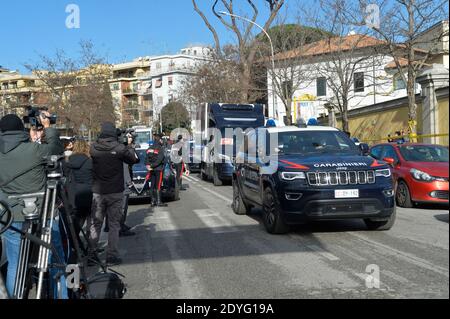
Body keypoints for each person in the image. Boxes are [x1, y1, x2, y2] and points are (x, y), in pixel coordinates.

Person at [0, 113, 66, 298]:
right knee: (55, 259)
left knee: (15, 263)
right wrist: (48, 127)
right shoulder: (33, 151)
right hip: (43, 211)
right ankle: (60, 295)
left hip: (11, 216)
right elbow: (55, 149)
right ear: (21, 130)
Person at [89, 122, 139, 266]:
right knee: (114, 224)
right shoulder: (119, 148)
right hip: (115, 191)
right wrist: (128, 145)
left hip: (98, 191)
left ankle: (92, 254)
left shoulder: (93, 148)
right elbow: (134, 159)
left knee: (95, 224)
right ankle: (111, 255)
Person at [64, 139, 93, 236]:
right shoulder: (90, 160)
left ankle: (75, 241)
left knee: (79, 217)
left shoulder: (68, 160)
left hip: (74, 193)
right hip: (89, 191)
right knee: (90, 218)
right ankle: (91, 244)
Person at [145, 133, 167, 207]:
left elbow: (146, 159)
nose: (162, 141)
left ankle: (152, 201)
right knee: (158, 185)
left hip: (151, 170)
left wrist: (148, 165)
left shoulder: (150, 148)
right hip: (158, 169)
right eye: (161, 139)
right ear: (160, 139)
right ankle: (158, 202)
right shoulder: (160, 148)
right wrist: (152, 165)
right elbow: (159, 160)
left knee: (152, 185)